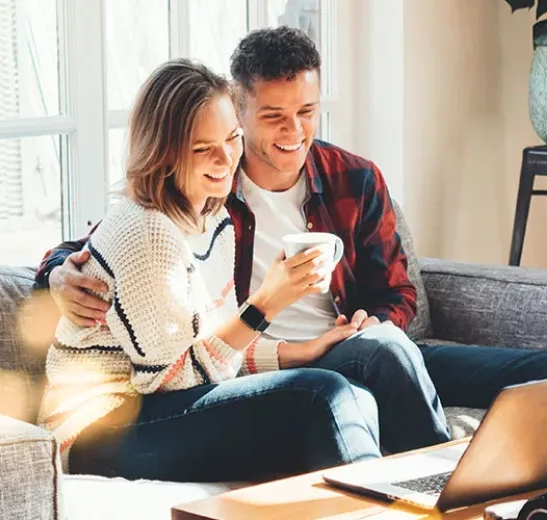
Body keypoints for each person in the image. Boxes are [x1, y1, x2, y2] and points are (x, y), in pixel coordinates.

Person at [37, 28, 547, 456]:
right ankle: (439, 484)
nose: (293, 131)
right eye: (272, 117)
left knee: (542, 370)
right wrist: (59, 271)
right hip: (187, 389)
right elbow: (112, 250)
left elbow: (398, 294)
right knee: (356, 376)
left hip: (337, 347)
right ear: (240, 112)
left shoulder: (341, 182)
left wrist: (365, 326)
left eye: (307, 112)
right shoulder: (204, 196)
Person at [38, 58, 383, 483]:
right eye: (204, 148)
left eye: (232, 138)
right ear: (163, 153)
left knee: (356, 400)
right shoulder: (147, 231)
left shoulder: (213, 219)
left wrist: (295, 352)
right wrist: (265, 305)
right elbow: (174, 379)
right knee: (320, 397)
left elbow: (209, 347)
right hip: (99, 429)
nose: (226, 158)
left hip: (156, 409)